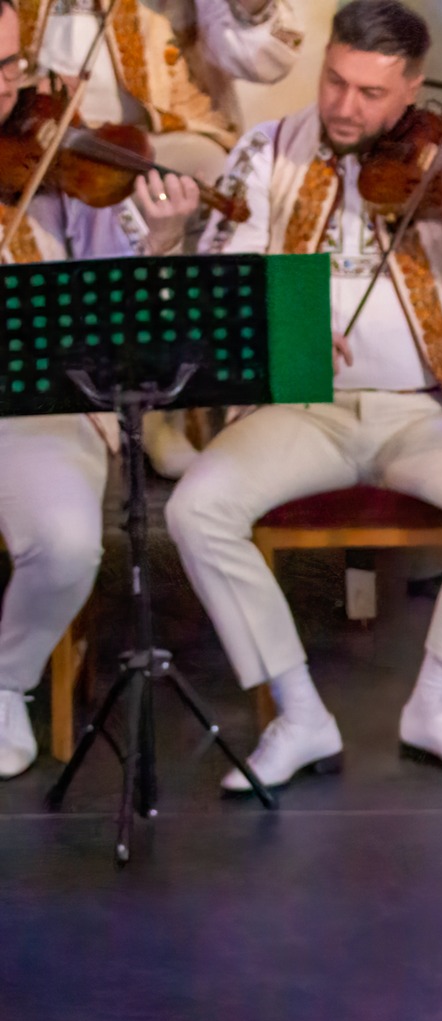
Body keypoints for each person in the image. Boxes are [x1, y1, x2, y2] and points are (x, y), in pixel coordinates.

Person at [166, 0, 442, 789]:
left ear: (413, 87)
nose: (346, 107)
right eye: (335, 82)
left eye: (371, 93)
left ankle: (437, 705)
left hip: (428, 411)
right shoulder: (266, 149)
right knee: (195, 509)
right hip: (299, 407)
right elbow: (221, 278)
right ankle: (297, 714)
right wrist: (290, 327)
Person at [0, 0, 200, 778]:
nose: (5, 90)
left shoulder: (51, 150)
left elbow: (113, 283)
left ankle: (7, 681)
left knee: (69, 543)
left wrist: (161, 239)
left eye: (11, 67)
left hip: (33, 408)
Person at [24, 0, 304, 185]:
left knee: (206, 169)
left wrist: (251, 6)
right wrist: (28, 83)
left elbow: (269, 61)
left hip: (165, 143)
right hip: (35, 138)